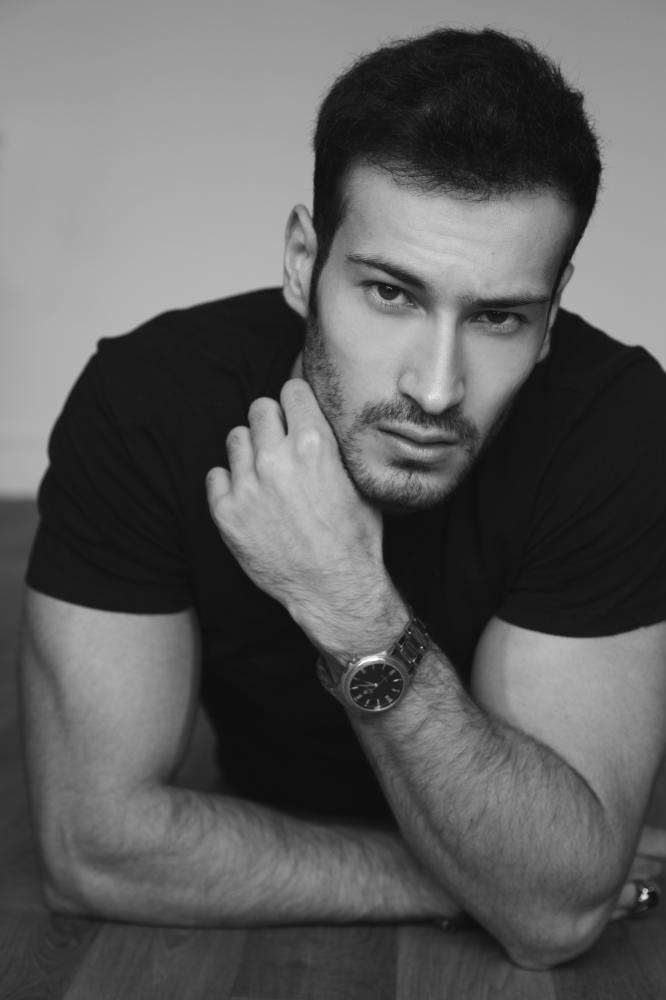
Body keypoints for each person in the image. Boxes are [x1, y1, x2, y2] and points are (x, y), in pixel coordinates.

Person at [20, 27, 666, 970]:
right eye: (392, 293)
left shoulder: (614, 423)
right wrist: (475, 883)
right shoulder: (146, 403)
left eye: (498, 316)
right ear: (302, 260)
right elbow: (93, 848)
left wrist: (348, 603)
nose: (436, 389)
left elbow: (552, 920)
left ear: (552, 313)